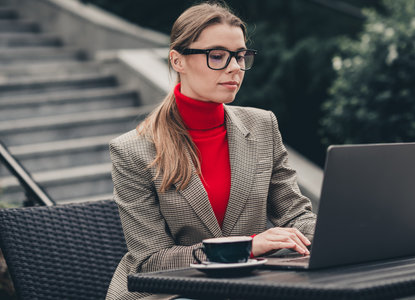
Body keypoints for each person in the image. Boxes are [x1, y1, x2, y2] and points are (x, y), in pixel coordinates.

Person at [106, 2, 316, 300]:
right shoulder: (133, 150)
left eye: (241, 56)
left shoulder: (262, 125)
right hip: (169, 294)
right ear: (177, 61)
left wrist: (339, 232)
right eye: (217, 56)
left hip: (247, 287)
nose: (234, 68)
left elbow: (295, 215)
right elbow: (150, 262)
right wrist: (247, 246)